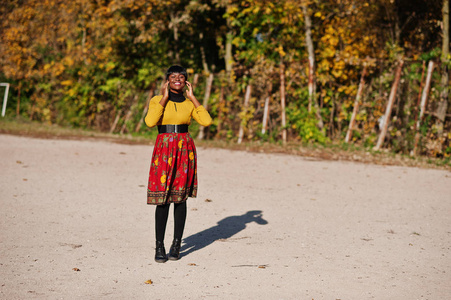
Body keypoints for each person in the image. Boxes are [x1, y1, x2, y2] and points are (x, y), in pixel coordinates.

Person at [145, 65, 212, 263]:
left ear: (185, 81)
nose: (177, 79)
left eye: (181, 77)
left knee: (180, 199)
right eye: (173, 76)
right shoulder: (157, 100)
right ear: (167, 80)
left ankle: (176, 244)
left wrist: (193, 97)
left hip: (184, 149)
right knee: (163, 199)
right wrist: (164, 97)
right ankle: (159, 246)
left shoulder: (189, 103)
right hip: (164, 149)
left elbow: (206, 121)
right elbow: (150, 122)